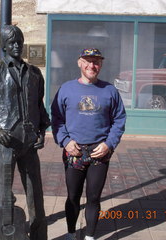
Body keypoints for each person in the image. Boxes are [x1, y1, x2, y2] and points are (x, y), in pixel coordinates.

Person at [0, 25, 50, 240]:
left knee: (36, 195)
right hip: (6, 141)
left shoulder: (35, 73)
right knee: (3, 196)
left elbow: (39, 107)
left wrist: (42, 131)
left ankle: (38, 236)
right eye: (12, 42)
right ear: (4, 45)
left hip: (29, 142)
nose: (16, 45)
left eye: (19, 41)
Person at [51, 48, 126, 240]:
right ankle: (70, 233)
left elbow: (119, 120)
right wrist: (65, 141)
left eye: (96, 62)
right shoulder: (66, 89)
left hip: (99, 153)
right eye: (88, 61)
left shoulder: (109, 90)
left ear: (100, 65)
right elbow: (57, 119)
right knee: (73, 196)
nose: (92, 65)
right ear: (79, 63)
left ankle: (90, 236)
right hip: (73, 152)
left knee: (93, 197)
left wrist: (109, 144)